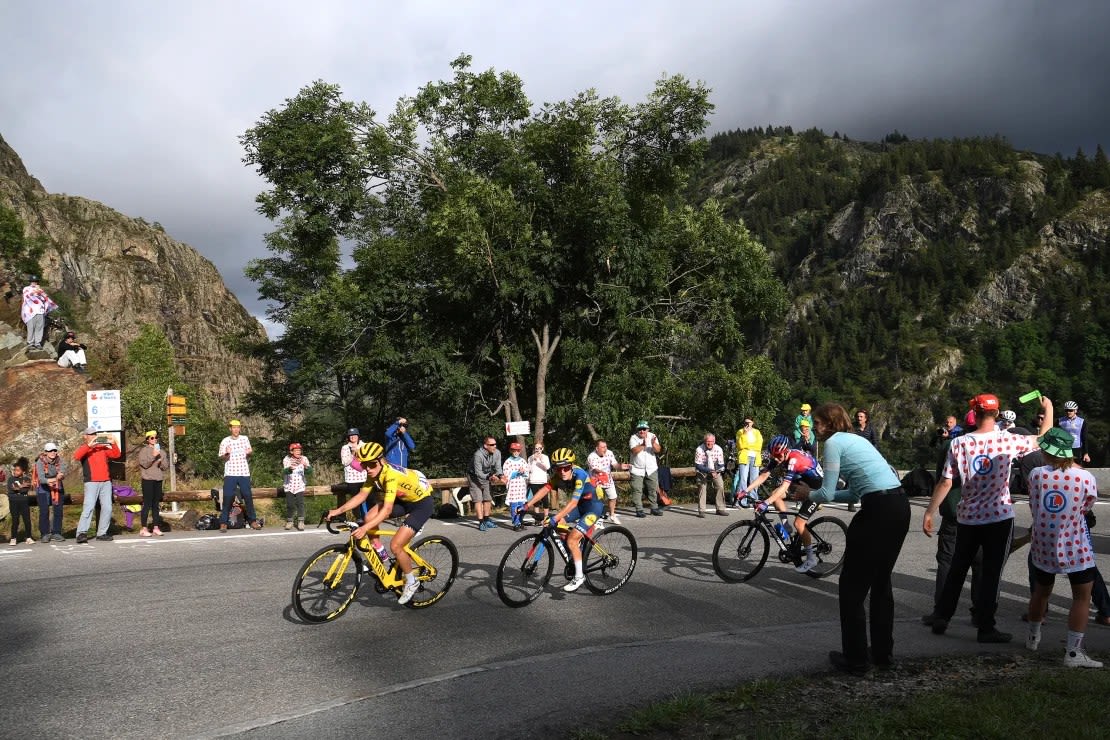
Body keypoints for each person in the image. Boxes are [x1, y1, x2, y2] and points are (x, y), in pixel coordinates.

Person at [924, 393, 1053, 644]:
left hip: (968, 516)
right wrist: (1048, 408)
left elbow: (945, 481)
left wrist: (930, 511)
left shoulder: (959, 443)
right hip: (999, 516)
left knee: (958, 568)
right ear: (997, 413)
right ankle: (986, 627)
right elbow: (1044, 438)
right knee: (991, 574)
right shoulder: (1008, 440)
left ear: (974, 411)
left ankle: (942, 616)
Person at [804, 403, 910, 674]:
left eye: (816, 423)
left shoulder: (834, 443)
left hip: (877, 510)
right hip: (899, 505)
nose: (814, 429)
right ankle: (883, 654)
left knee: (851, 586)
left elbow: (826, 493)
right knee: (881, 582)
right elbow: (852, 495)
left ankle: (856, 659)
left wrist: (807, 494)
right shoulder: (857, 440)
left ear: (828, 423)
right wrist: (820, 496)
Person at [1024, 427, 1101, 668]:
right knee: (1082, 597)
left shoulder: (1036, 474)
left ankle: (1033, 638)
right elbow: (1087, 506)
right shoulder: (1085, 478)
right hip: (1074, 544)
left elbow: (1033, 502)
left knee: (1041, 592)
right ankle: (1074, 653)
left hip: (1043, 544)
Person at [326, 441, 436, 605]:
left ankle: (412, 581)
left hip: (421, 504)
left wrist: (364, 528)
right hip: (404, 500)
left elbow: (386, 510)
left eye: (371, 464)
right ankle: (381, 555)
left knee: (396, 545)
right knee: (369, 517)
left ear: (381, 461)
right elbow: (361, 497)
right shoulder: (374, 474)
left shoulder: (390, 475)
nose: (368, 469)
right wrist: (337, 511)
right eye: (364, 465)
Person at [921, 433, 983, 629]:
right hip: (983, 513)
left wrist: (930, 511)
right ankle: (980, 613)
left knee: (947, 561)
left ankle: (941, 612)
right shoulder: (996, 441)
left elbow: (944, 479)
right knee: (980, 564)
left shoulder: (952, 444)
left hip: (954, 511)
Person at [522, 447, 605, 592]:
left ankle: (579, 577)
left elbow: (572, 503)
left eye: (566, 468)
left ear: (571, 466)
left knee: (570, 538)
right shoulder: (557, 476)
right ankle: (576, 552)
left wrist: (554, 518)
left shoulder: (579, 474)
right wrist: (526, 505)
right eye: (558, 468)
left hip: (593, 506)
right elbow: (544, 490)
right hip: (580, 506)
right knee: (560, 527)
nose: (562, 472)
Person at [743, 434, 825, 572]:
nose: (776, 459)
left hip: (817, 490)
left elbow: (785, 487)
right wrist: (745, 491)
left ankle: (811, 559)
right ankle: (786, 527)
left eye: (778, 456)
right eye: (774, 456)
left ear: (785, 451)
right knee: (775, 494)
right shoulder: (780, 455)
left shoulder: (794, 459)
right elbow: (764, 475)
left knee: (799, 523)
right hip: (803, 484)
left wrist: (765, 503)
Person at [73, 427, 122, 543]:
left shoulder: (102, 447)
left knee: (108, 508)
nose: (93, 436)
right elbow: (76, 456)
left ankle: (102, 533)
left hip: (105, 482)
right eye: (90, 434)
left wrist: (113, 443)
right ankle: (81, 533)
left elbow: (116, 455)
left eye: (94, 434)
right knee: (88, 507)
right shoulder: (85, 448)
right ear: (85, 436)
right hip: (91, 482)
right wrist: (90, 445)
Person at [218, 419, 260, 532]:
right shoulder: (225, 441)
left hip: (243, 472)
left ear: (240, 429)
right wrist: (227, 453)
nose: (236, 429)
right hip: (230, 472)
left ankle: (253, 521)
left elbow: (249, 453)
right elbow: (222, 457)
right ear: (230, 429)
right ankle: (223, 522)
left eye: (238, 427)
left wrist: (249, 453)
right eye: (234, 427)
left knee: (247, 496)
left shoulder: (245, 439)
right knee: (227, 497)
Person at [136, 430, 169, 536]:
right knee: (147, 504)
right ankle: (144, 528)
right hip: (147, 479)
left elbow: (165, 467)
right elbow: (144, 464)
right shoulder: (143, 451)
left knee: (156, 505)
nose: (154, 439)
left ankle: (156, 527)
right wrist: (153, 456)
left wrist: (160, 461)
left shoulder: (162, 452)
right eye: (152, 438)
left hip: (158, 479)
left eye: (156, 437)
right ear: (147, 440)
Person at [468, 436, 505, 531]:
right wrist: (490, 477)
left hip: (487, 475)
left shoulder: (497, 453)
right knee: (478, 499)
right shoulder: (478, 455)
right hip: (474, 477)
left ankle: (487, 520)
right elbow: (478, 472)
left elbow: (498, 467)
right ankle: (481, 522)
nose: (495, 446)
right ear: (485, 446)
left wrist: (501, 476)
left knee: (488, 498)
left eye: (495, 444)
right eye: (492, 444)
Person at [588, 439, 627, 525]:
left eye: (606, 446)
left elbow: (615, 465)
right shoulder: (591, 456)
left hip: (608, 480)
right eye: (602, 447)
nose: (605, 449)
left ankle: (612, 515)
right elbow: (595, 468)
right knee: (598, 500)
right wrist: (602, 473)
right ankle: (596, 517)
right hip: (596, 481)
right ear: (597, 448)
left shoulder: (609, 453)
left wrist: (621, 466)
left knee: (613, 497)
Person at [628, 420, 663, 518]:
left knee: (652, 489)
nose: (642, 431)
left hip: (651, 468)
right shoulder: (633, 438)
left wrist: (653, 443)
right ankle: (639, 509)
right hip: (637, 469)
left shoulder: (653, 436)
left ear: (648, 429)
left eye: (644, 429)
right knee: (637, 490)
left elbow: (658, 450)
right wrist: (643, 445)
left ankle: (654, 508)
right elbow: (634, 451)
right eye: (640, 429)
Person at [35, 442, 66, 542]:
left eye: (54, 450)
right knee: (44, 511)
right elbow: (41, 479)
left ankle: (56, 532)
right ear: (46, 452)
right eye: (50, 451)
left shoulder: (60, 460)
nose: (53, 452)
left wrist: (60, 476)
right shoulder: (39, 462)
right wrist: (54, 479)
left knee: (58, 510)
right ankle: (45, 533)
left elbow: (62, 472)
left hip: (57, 488)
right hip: (43, 488)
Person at [694, 433, 728, 518]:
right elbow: (698, 465)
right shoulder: (699, 449)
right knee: (702, 487)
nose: (710, 443)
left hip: (716, 469)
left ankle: (720, 508)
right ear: (705, 441)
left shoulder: (719, 449)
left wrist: (714, 471)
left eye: (711, 441)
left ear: (714, 441)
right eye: (708, 441)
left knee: (720, 486)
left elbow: (721, 464)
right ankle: (701, 510)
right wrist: (709, 471)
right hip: (702, 470)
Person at [733, 417, 763, 506]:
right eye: (745, 422)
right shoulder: (740, 432)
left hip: (755, 457)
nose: (747, 424)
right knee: (743, 479)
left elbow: (759, 445)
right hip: (744, 456)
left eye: (749, 422)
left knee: (754, 480)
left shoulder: (757, 432)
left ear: (752, 423)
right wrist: (745, 434)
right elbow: (740, 445)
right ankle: (741, 501)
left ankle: (753, 500)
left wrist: (748, 446)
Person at [336, 428, 368, 512]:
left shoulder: (365, 445)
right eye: (350, 435)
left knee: (368, 498)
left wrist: (359, 453)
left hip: (364, 477)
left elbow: (368, 459)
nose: (353, 437)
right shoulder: (345, 448)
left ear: (358, 436)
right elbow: (345, 462)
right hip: (352, 479)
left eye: (354, 435)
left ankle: (369, 517)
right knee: (355, 500)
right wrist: (353, 454)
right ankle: (358, 519)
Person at [282, 443, 312, 531]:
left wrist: (305, 465)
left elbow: (310, 471)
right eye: (296, 450)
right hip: (289, 485)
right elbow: (285, 471)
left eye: (299, 450)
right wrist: (290, 469)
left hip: (300, 484)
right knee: (290, 505)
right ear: (292, 451)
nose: (298, 452)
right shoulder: (287, 459)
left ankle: (301, 522)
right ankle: (289, 521)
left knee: (300, 503)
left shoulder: (304, 458)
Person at [20, 277, 56, 349]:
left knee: (39, 327)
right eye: (33, 281)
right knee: (31, 327)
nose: (34, 282)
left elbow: (45, 298)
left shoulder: (40, 290)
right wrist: (37, 291)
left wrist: (41, 292)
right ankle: (30, 343)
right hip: (30, 312)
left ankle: (37, 343)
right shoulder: (27, 288)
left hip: (40, 310)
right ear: (30, 282)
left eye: (36, 281)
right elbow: (28, 296)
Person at [6, 457, 35, 546]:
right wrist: (22, 486)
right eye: (15, 470)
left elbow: (25, 490)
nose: (15, 472)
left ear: (23, 471)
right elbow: (12, 489)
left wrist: (20, 488)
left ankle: (29, 537)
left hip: (24, 501)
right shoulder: (11, 479)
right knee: (15, 520)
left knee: (27, 520)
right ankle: (13, 538)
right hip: (13, 501)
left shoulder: (26, 479)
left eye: (18, 470)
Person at [502, 441, 530, 530]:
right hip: (513, 487)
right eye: (514, 450)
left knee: (521, 506)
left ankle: (520, 521)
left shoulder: (522, 461)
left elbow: (527, 473)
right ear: (511, 450)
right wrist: (517, 472)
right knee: (514, 506)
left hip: (521, 487)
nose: (516, 452)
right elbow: (506, 475)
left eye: (518, 450)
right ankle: (516, 523)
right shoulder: (508, 462)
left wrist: (523, 472)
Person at [527, 443, 552, 516]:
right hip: (533, 480)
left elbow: (547, 467)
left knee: (545, 499)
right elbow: (528, 469)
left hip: (542, 481)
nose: (538, 450)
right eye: (536, 448)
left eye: (539, 448)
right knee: (535, 500)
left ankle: (546, 517)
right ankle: (537, 518)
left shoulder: (545, 457)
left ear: (542, 449)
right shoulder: (530, 458)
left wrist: (541, 460)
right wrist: (532, 461)